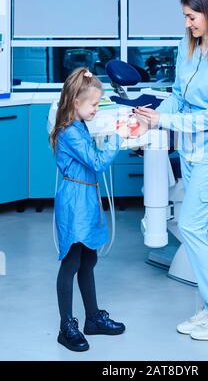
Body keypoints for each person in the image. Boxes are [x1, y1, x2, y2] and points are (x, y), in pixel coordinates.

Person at [134, 0, 208, 341]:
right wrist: (151, 114)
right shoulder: (188, 47)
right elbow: (179, 96)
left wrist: (163, 122)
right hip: (191, 147)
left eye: (191, 17)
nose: (187, 24)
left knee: (192, 225)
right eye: (184, 17)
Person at [50, 67, 134, 352]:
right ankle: (66, 326)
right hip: (75, 201)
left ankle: (93, 319)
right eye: (94, 104)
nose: (97, 109)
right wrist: (119, 135)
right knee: (72, 262)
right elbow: (96, 162)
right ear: (75, 103)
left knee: (89, 261)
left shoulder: (79, 125)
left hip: (85, 197)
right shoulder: (68, 132)